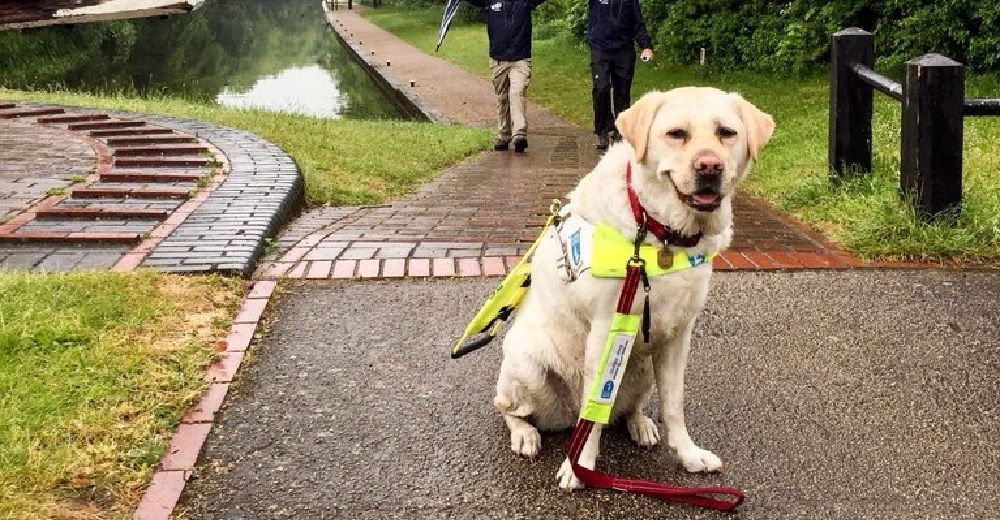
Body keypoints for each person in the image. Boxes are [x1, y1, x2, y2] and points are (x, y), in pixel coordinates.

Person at [466, 0, 546, 153]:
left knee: (517, 92)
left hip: (520, 58)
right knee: (502, 98)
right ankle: (504, 135)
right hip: (498, 58)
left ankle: (519, 135)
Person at [587, 0, 654, 150]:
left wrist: (646, 46)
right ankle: (602, 130)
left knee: (622, 91)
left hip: (623, 49)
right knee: (601, 88)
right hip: (600, 48)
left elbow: (638, 22)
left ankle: (620, 130)